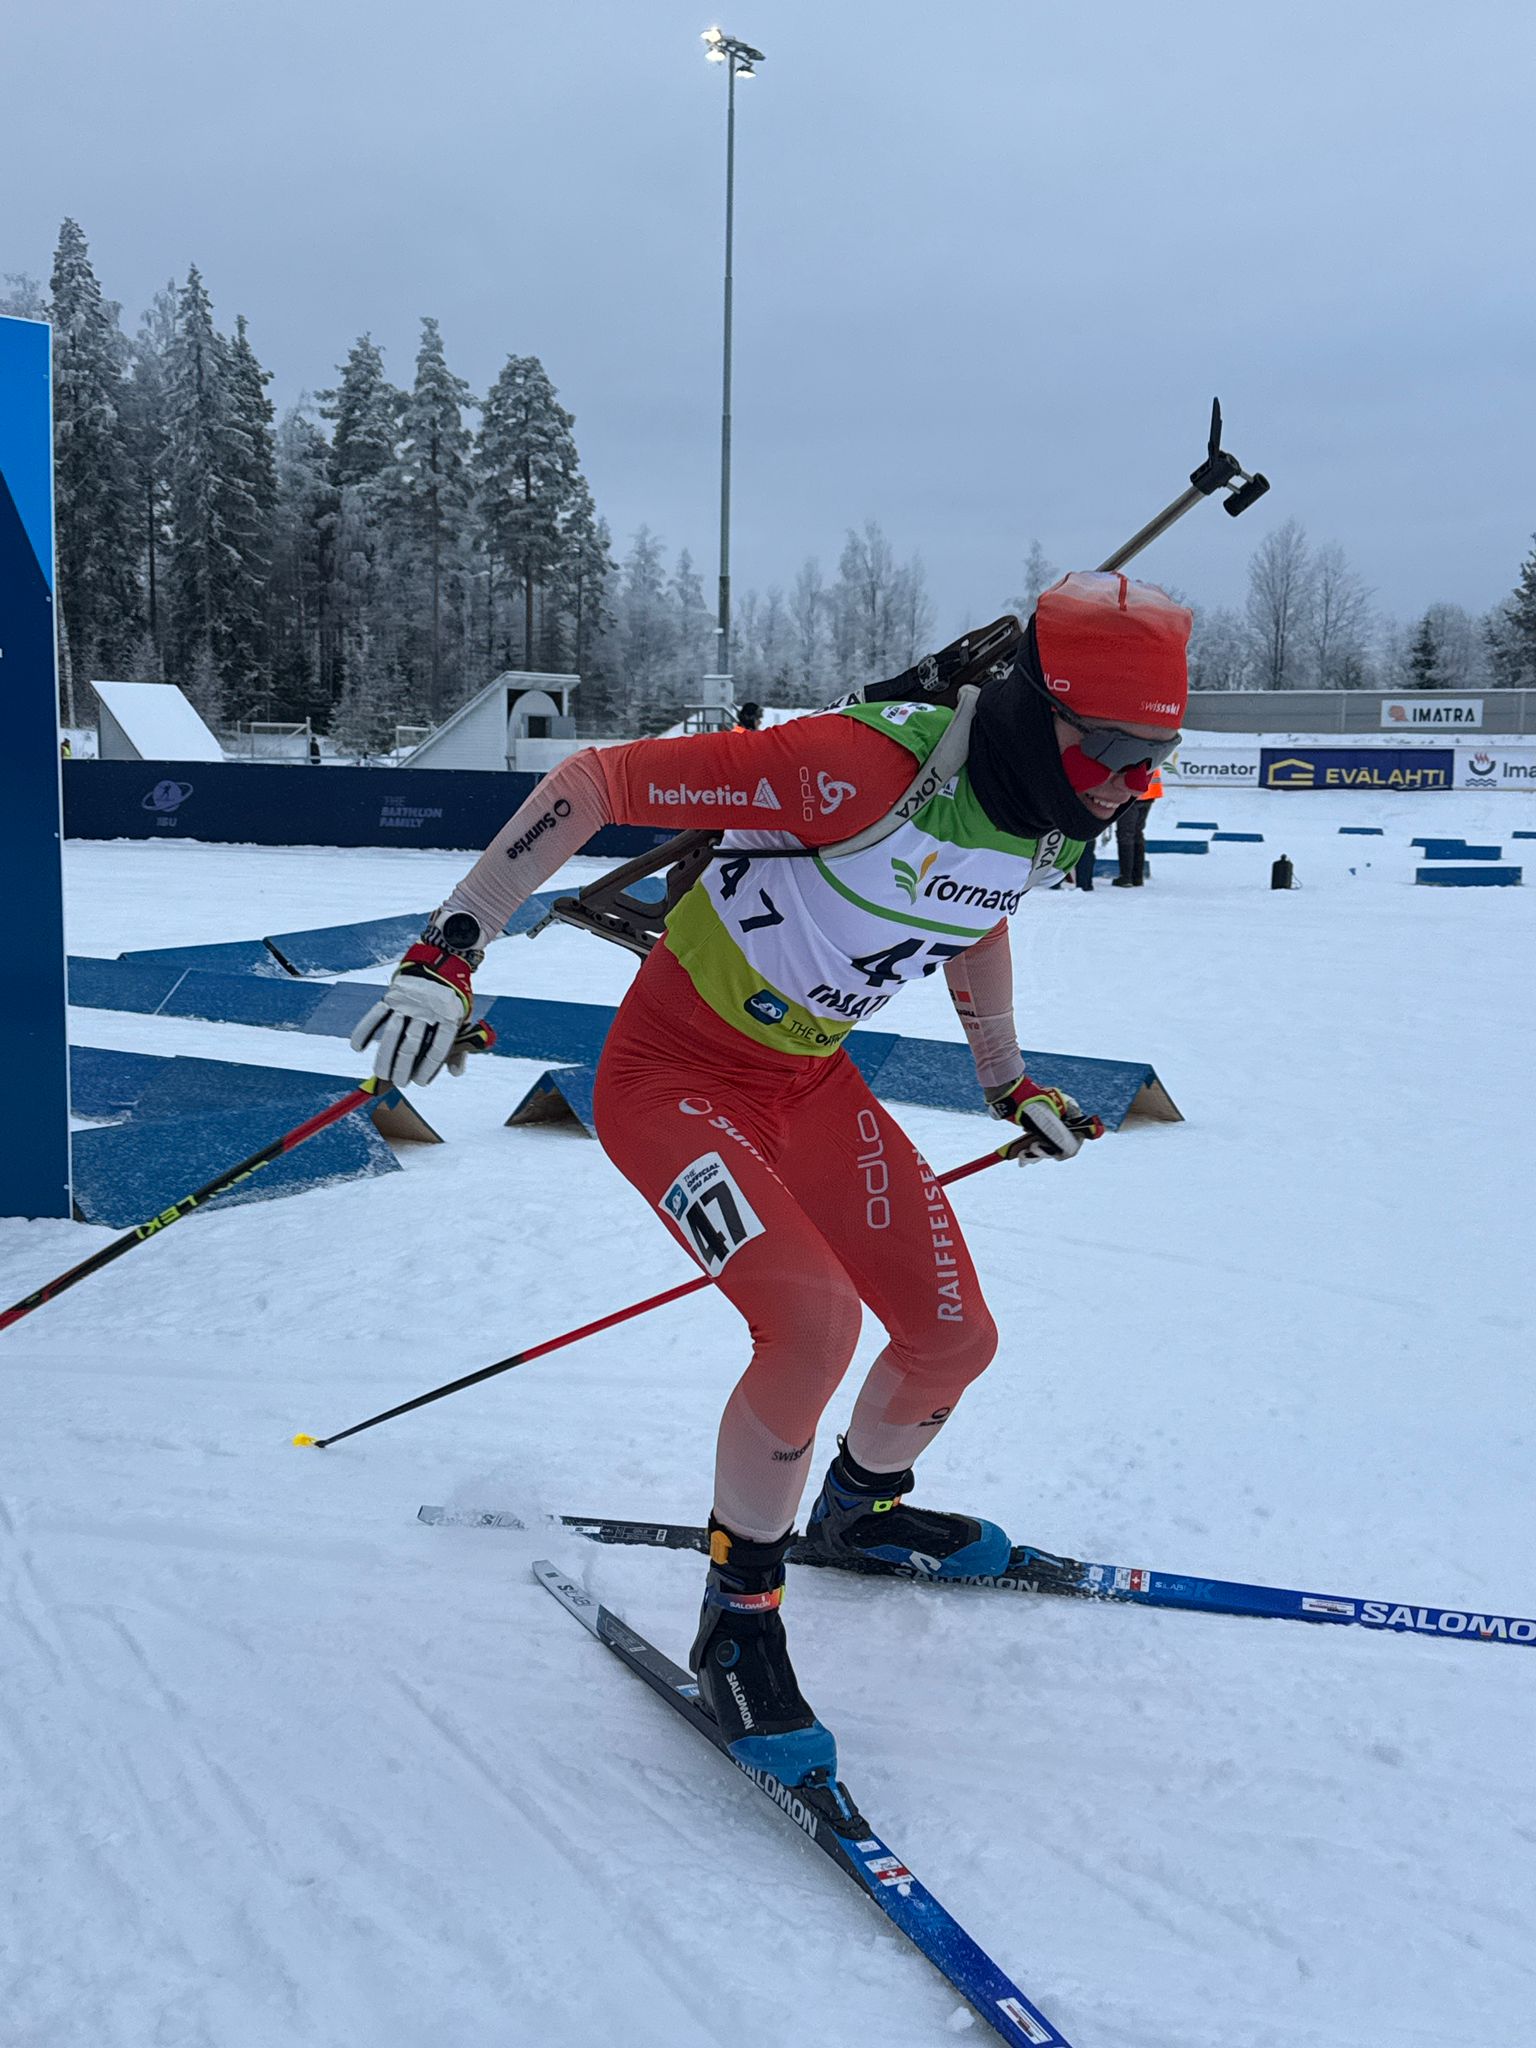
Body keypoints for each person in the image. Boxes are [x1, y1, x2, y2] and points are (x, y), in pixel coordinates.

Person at [352, 570, 1190, 1787]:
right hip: (672, 1079)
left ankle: (860, 1507)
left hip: (807, 1081)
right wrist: (448, 948)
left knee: (952, 1337)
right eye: (1111, 752)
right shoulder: (855, 767)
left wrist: (1011, 1084)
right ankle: (737, 1618)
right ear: (1037, 713)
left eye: (1154, 765)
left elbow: (979, 910)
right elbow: (596, 781)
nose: (1126, 788)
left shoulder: (1042, 810)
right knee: (809, 1322)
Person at [1112, 762, 1162, 885]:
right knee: (1137, 833)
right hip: (1149, 793)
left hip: (1132, 795)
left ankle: (1126, 877)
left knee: (1125, 834)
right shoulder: (1153, 751)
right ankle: (1137, 876)